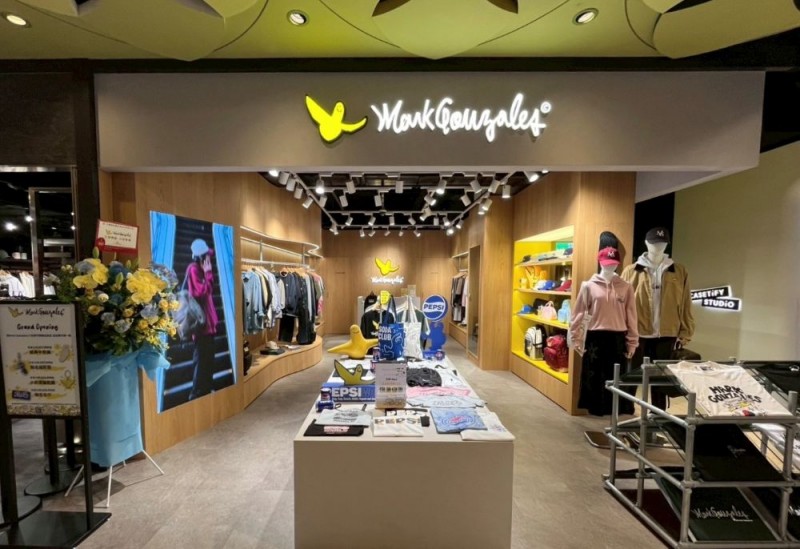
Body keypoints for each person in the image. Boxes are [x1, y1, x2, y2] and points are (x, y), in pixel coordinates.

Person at [569, 247, 638, 416]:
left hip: (617, 338)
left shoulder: (626, 287)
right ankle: (596, 408)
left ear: (618, 264)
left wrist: (632, 342)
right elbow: (578, 313)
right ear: (599, 262)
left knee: (616, 375)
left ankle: (614, 409)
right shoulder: (588, 286)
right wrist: (575, 336)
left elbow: (631, 316)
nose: (610, 267)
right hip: (595, 337)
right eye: (606, 263)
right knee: (594, 375)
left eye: (613, 264)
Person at [187, 238, 218, 400]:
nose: (208, 258)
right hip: (201, 326)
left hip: (209, 325)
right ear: (199, 257)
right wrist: (208, 273)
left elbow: (209, 290)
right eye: (205, 256)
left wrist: (207, 273)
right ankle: (196, 393)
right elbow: (201, 293)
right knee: (200, 360)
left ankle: (206, 388)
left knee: (209, 359)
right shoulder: (193, 269)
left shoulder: (202, 269)